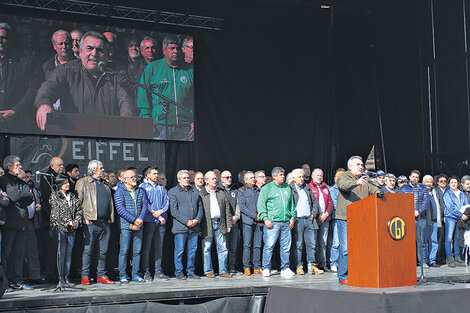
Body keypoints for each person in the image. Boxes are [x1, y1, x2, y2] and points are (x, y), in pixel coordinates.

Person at [35, 31, 134, 131]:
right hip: (73, 137)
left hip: (108, 138)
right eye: (89, 48)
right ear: (80, 52)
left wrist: (125, 124)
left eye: (100, 50)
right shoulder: (66, 71)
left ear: (107, 55)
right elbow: (48, 88)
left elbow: (126, 103)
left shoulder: (116, 76)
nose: (94, 54)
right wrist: (44, 104)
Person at [138, 35, 194, 140]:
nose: (176, 51)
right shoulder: (153, 68)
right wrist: (147, 119)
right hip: (160, 127)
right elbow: (143, 95)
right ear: (164, 50)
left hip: (186, 128)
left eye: (177, 48)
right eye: (172, 48)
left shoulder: (189, 70)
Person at [336, 156, 380, 285]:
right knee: (345, 248)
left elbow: (375, 190)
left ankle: (359, 272)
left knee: (361, 247)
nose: (361, 167)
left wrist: (381, 193)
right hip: (345, 218)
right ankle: (343, 275)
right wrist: (356, 182)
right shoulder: (344, 176)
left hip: (361, 219)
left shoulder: (365, 180)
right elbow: (343, 186)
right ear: (350, 166)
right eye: (358, 164)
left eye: (362, 165)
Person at [75, 160, 115, 285]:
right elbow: (78, 203)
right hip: (90, 222)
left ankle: (101, 275)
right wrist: (83, 217)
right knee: (88, 250)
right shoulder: (83, 182)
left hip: (104, 223)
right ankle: (85, 275)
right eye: (101, 168)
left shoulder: (105, 184)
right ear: (93, 170)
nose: (103, 170)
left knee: (103, 251)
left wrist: (110, 217)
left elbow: (110, 203)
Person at [0, 155, 34, 290]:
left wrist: (21, 197)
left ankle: (18, 280)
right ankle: (6, 282)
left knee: (19, 253)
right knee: (6, 253)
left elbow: (30, 197)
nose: (20, 167)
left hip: (22, 222)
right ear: (9, 167)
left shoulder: (21, 181)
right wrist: (21, 197)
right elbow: (14, 196)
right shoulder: (3, 180)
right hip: (9, 222)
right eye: (17, 165)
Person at [257, 167, 296, 278]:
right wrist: (265, 218)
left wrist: (292, 217)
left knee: (286, 247)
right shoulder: (267, 188)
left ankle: (285, 268)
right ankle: (266, 268)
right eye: (280, 175)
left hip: (286, 222)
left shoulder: (287, 188)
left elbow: (291, 205)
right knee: (269, 246)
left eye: (283, 175)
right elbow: (261, 205)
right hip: (273, 222)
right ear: (274, 176)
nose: (283, 176)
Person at [0, 23, 38, 132]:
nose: (0, 41)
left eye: (3, 38)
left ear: (10, 40)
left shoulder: (24, 62)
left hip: (17, 123)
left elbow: (32, 89)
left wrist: (15, 110)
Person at [114, 169, 148, 283]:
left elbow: (144, 206)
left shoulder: (141, 190)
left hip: (139, 225)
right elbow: (120, 209)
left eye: (135, 176)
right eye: (131, 177)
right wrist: (134, 220)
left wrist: (140, 220)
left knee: (137, 251)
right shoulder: (119, 191)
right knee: (124, 250)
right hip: (126, 226)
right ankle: (123, 275)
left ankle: (135, 274)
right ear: (124, 180)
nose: (134, 179)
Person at [49, 173, 82, 289]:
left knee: (68, 254)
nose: (67, 184)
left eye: (68, 182)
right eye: (64, 183)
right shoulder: (55, 196)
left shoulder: (72, 196)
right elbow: (55, 214)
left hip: (71, 229)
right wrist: (68, 221)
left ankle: (67, 277)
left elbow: (79, 210)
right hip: (60, 229)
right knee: (61, 254)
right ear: (59, 184)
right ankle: (60, 278)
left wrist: (77, 220)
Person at [168, 170, 203, 280]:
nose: (187, 179)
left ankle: (190, 271)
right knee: (179, 251)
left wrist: (197, 219)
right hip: (181, 227)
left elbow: (200, 207)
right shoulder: (173, 192)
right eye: (184, 178)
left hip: (194, 227)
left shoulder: (194, 191)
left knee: (192, 250)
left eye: (188, 178)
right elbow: (174, 211)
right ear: (179, 179)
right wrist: (186, 221)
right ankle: (179, 272)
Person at [200, 171, 233, 278]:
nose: (215, 180)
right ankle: (208, 270)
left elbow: (227, 210)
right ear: (206, 180)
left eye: (215, 178)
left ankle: (223, 270)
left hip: (220, 223)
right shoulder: (202, 193)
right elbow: (199, 211)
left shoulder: (221, 192)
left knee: (223, 248)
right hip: (207, 224)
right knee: (207, 248)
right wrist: (199, 227)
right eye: (213, 179)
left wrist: (229, 224)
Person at [140, 166, 169, 281]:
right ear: (147, 175)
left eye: (157, 174)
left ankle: (158, 271)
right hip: (148, 221)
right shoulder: (142, 187)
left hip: (161, 221)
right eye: (154, 174)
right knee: (146, 247)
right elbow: (145, 203)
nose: (156, 176)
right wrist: (154, 213)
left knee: (159, 247)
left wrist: (161, 213)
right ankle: (146, 271)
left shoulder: (161, 187)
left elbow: (166, 201)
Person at [290, 169, 321, 275]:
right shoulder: (290, 189)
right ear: (293, 178)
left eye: (303, 177)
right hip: (297, 220)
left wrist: (313, 213)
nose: (302, 179)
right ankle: (299, 266)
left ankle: (312, 265)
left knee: (312, 244)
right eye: (300, 177)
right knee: (298, 245)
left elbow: (315, 202)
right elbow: (288, 204)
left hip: (308, 220)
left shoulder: (307, 188)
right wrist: (292, 216)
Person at [38, 156, 64, 282]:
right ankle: (51, 274)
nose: (61, 167)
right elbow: (46, 199)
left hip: (60, 217)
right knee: (50, 248)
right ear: (52, 165)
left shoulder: (59, 177)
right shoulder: (46, 177)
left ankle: (60, 273)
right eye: (59, 165)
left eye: (62, 165)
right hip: (49, 218)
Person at [400, 170, 431, 267]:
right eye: (413, 177)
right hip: (406, 218)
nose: (415, 179)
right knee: (407, 241)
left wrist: (419, 211)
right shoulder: (403, 188)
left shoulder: (422, 188)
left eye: (417, 177)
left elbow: (426, 201)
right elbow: (400, 202)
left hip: (420, 218)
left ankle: (422, 262)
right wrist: (409, 212)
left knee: (421, 241)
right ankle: (409, 262)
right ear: (409, 177)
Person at [308, 168, 334, 272]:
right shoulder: (308, 187)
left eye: (321, 175)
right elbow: (308, 203)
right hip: (314, 219)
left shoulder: (325, 187)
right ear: (312, 176)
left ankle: (323, 265)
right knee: (313, 243)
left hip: (325, 219)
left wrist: (326, 214)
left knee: (323, 243)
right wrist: (317, 214)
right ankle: (313, 265)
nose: (320, 177)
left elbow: (330, 203)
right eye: (318, 175)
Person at [238, 171, 263, 275]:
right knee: (247, 245)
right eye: (251, 178)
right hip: (248, 221)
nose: (254, 179)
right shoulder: (242, 190)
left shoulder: (258, 190)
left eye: (254, 177)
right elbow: (242, 207)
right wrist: (254, 216)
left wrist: (260, 215)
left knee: (257, 245)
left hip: (259, 222)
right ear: (246, 180)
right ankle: (246, 267)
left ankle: (256, 266)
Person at [443, 176, 469, 267]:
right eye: (452, 182)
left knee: (458, 238)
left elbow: (466, 204)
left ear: (458, 183)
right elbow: (450, 207)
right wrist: (461, 214)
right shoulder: (447, 193)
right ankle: (449, 258)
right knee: (449, 238)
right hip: (451, 217)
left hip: (460, 219)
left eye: (455, 182)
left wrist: (465, 214)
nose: (454, 184)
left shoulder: (462, 194)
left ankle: (457, 256)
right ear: (449, 184)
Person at [219, 170, 241, 274]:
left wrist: (236, 216)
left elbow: (238, 204)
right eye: (227, 177)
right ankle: (224, 268)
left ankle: (232, 267)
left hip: (234, 223)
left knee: (233, 247)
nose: (229, 179)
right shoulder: (219, 190)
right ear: (221, 179)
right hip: (223, 223)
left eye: (230, 177)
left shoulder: (234, 190)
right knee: (224, 247)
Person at [328, 168, 345, 273]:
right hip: (337, 218)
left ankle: (344, 263)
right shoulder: (332, 189)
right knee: (336, 242)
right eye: (338, 178)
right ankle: (333, 263)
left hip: (348, 217)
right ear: (335, 179)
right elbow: (334, 204)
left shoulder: (348, 189)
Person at [422, 175, 440, 267]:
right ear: (423, 183)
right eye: (427, 182)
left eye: (430, 182)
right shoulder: (421, 192)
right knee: (424, 241)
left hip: (434, 220)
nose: (429, 183)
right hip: (425, 220)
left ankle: (432, 260)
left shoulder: (435, 192)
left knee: (434, 241)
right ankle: (425, 260)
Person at [434, 174, 448, 264]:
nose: (443, 182)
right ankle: (439, 258)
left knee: (447, 239)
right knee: (440, 239)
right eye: (441, 181)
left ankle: (446, 257)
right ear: (437, 182)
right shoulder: (436, 190)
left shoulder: (448, 191)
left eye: (445, 181)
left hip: (449, 218)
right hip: (440, 218)